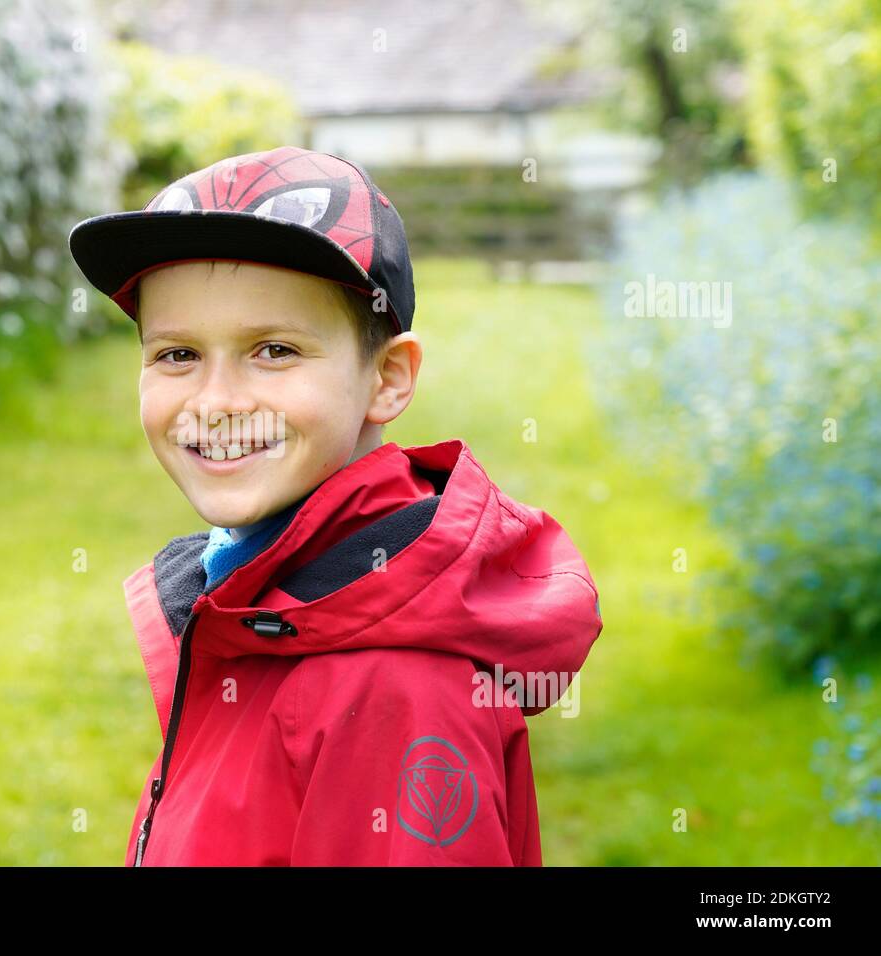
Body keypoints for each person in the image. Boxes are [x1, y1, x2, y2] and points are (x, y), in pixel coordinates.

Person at [68, 145, 603, 866]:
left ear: (386, 378)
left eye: (275, 350)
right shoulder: (255, 602)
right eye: (177, 355)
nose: (217, 400)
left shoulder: (394, 688)